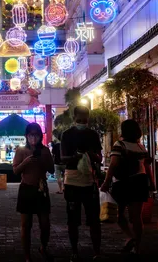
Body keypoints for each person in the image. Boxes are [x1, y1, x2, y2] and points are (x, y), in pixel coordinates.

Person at [100, 120, 155, 254]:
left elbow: (113, 164)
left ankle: (130, 237)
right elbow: (147, 167)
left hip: (123, 182)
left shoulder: (120, 145)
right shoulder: (141, 147)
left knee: (118, 214)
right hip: (140, 182)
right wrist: (152, 183)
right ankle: (137, 246)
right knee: (137, 217)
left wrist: (106, 182)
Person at [61, 106, 103, 261]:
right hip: (72, 181)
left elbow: (99, 157)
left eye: (85, 119)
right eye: (80, 119)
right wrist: (77, 156)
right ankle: (74, 251)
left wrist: (92, 155)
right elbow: (63, 158)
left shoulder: (93, 134)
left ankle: (97, 252)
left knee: (94, 220)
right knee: (73, 220)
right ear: (74, 118)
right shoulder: (67, 135)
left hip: (89, 181)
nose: (82, 122)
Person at [13, 123, 54, 262]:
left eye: (36, 135)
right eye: (31, 135)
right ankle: (27, 256)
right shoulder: (21, 150)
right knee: (26, 224)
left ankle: (43, 246)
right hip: (26, 188)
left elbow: (52, 169)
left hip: (41, 188)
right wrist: (26, 161)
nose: (34, 138)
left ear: (40, 136)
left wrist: (43, 160)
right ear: (26, 136)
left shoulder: (45, 150)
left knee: (45, 223)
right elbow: (16, 170)